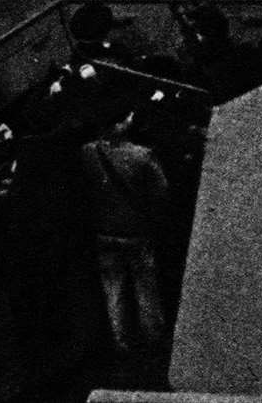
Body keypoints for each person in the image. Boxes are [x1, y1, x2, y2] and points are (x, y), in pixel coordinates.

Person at [81, 112, 170, 357]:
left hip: (103, 233)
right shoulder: (142, 156)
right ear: (121, 124)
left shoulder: (88, 152)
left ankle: (121, 341)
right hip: (135, 232)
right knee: (145, 288)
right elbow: (161, 192)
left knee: (114, 289)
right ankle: (154, 338)